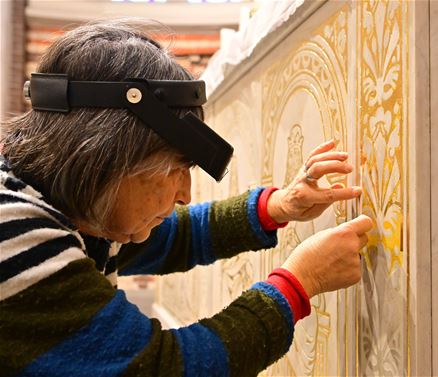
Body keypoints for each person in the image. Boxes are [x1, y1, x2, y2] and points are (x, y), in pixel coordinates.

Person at [0, 20, 373, 377]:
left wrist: (279, 207)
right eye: (175, 169)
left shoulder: (70, 205)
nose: (185, 194)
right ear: (107, 155)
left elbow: (173, 236)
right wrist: (299, 283)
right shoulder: (14, 232)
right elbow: (171, 368)